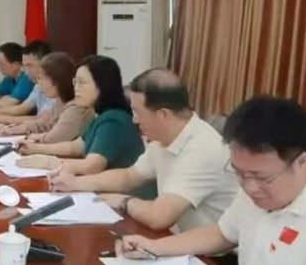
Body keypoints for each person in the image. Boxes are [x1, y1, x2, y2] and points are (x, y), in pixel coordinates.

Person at [116, 96, 306, 265]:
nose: (250, 188)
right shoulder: (255, 186)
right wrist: (154, 247)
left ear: (302, 162)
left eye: (263, 178)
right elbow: (222, 233)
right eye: (239, 173)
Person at [51, 69, 237, 233]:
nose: (134, 120)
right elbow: (129, 177)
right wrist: (74, 183)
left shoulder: (201, 149)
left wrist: (124, 202)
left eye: (137, 112)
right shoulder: (164, 139)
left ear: (163, 114)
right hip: (181, 241)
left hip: (213, 257)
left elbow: (159, 217)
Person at [20, 55, 145, 176]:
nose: (76, 88)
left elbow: (90, 166)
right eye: (75, 82)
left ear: (102, 84)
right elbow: (74, 147)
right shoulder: (100, 116)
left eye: (82, 82)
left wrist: (48, 162)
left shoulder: (113, 121)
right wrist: (34, 148)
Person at [0, 52, 94, 145]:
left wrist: (28, 137)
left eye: (41, 78)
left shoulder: (76, 109)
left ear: (57, 80)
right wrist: (16, 129)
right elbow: (43, 124)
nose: (39, 83)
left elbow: (53, 139)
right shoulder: (59, 102)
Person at [0, 41, 53, 121]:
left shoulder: (57, 88)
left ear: (45, 63)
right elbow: (22, 108)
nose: (26, 71)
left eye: (29, 65)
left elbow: (42, 120)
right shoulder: (38, 86)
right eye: (24, 66)